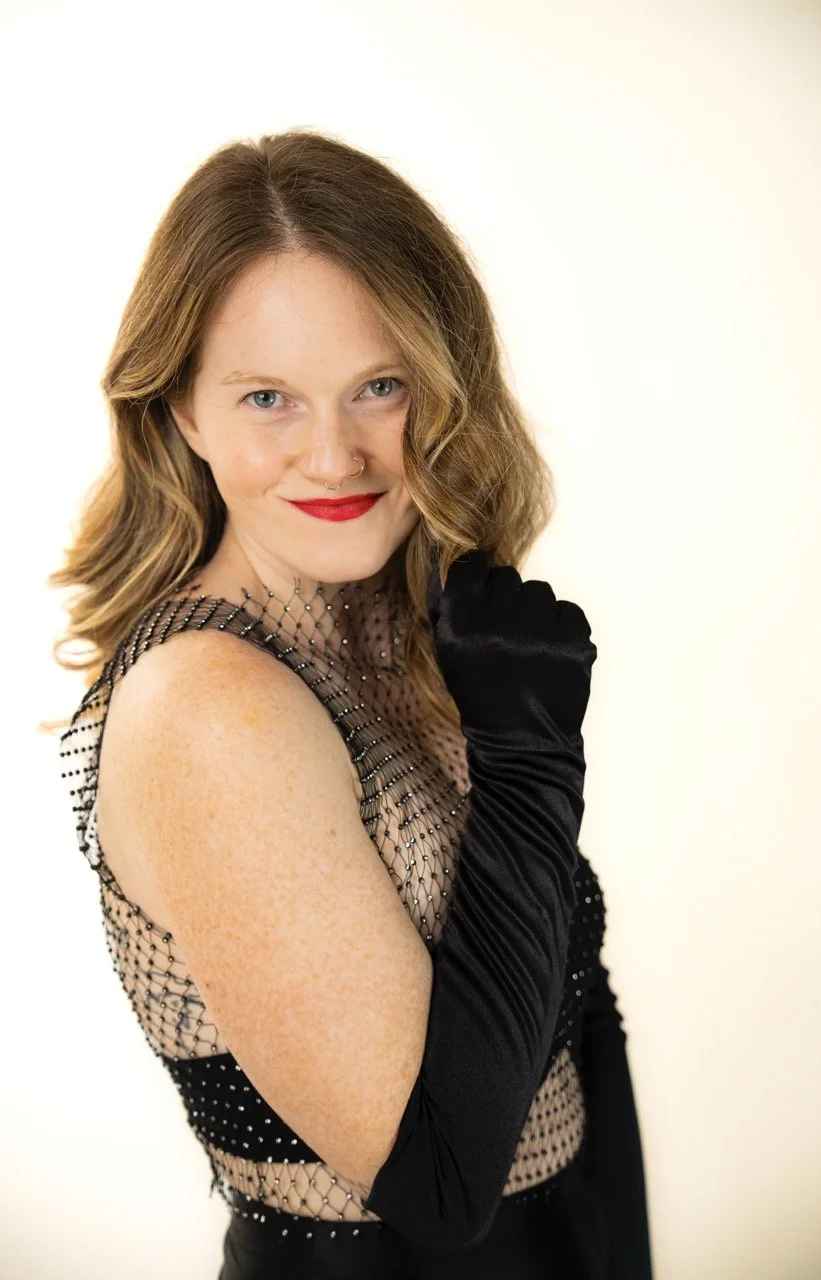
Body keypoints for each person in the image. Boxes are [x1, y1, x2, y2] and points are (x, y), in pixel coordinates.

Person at [49, 129, 652, 1278]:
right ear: (182, 409)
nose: (335, 455)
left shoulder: (400, 626)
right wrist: (527, 763)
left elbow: (568, 1041)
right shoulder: (215, 707)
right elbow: (440, 1183)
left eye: (379, 385)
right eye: (268, 396)